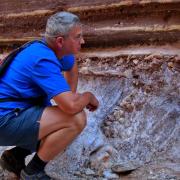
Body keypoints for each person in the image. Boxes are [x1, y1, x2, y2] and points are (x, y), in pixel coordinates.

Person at [0, 11, 99, 179]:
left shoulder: (54, 50)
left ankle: (14, 158)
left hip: (14, 114)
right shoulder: (41, 59)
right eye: (78, 37)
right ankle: (33, 172)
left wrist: (71, 95)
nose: (83, 41)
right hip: (5, 120)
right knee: (76, 119)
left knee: (65, 119)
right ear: (60, 41)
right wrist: (87, 97)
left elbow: (71, 65)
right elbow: (71, 107)